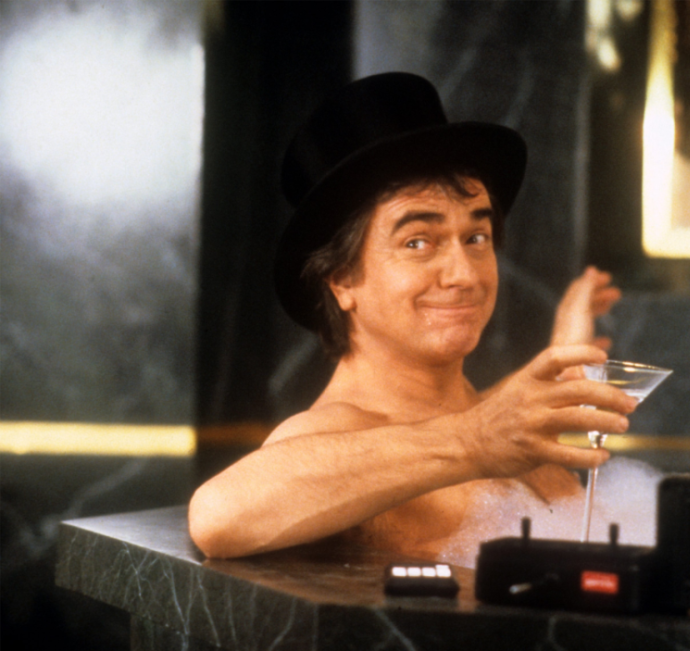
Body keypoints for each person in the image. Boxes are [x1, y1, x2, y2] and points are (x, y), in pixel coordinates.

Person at [188, 73, 633, 560]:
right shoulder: (333, 432)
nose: (464, 274)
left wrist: (558, 365)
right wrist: (474, 441)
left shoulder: (477, 421)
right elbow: (217, 516)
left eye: (476, 238)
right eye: (418, 242)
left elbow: (479, 419)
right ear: (342, 280)